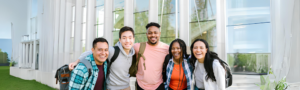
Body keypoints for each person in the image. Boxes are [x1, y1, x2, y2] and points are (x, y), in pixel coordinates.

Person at [69, 26, 135, 90]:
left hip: (127, 87)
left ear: (133, 39)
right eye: (124, 38)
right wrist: (76, 61)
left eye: (130, 37)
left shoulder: (133, 53)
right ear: (120, 40)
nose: (127, 41)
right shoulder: (113, 51)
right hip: (112, 88)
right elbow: (91, 52)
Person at [134, 22, 169, 90]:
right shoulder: (138, 47)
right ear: (146, 34)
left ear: (160, 34)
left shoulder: (166, 48)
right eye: (150, 33)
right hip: (141, 85)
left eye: (155, 32)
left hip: (158, 85)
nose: (153, 35)